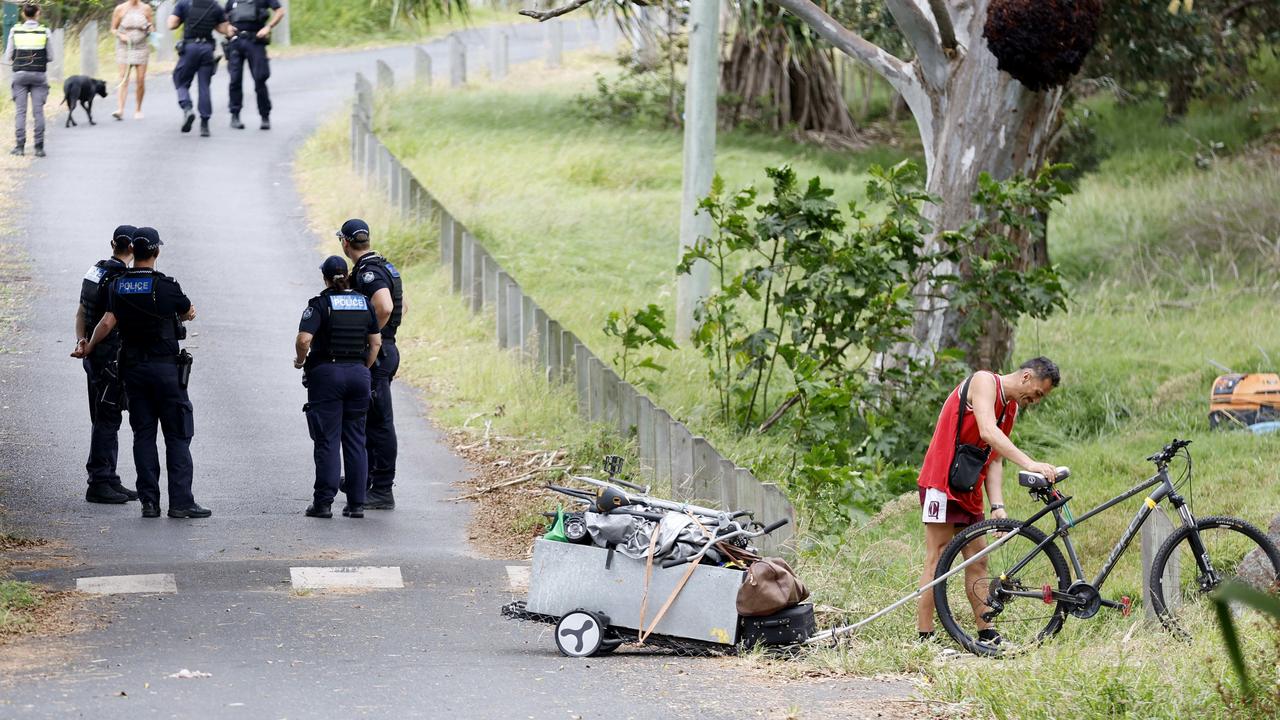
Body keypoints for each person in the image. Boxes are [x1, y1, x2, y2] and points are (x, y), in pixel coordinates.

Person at [914, 357, 1061, 648]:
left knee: (979, 560)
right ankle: (924, 636)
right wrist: (1030, 463)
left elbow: (993, 457)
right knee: (938, 558)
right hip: (941, 482)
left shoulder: (1011, 408)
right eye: (1038, 393)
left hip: (969, 488)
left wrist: (997, 505)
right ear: (1026, 377)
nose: (1036, 400)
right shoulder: (984, 382)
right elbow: (987, 432)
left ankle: (986, 631)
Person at [72, 228, 210, 520]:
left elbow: (106, 322)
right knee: (177, 435)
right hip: (166, 371)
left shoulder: (117, 285)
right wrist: (182, 316)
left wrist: (88, 345)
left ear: (133, 252)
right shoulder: (167, 287)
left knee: (143, 435)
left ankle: (149, 502)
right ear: (157, 252)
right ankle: (181, 502)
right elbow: (186, 312)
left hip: (133, 371)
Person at [294, 256, 382, 519]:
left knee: (327, 440)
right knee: (356, 439)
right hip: (358, 374)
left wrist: (300, 360)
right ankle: (356, 504)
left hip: (327, 376)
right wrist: (363, 367)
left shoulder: (320, 304)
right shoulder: (364, 303)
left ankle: (323, 503)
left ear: (325, 277)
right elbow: (376, 343)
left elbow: (304, 339)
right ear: (347, 276)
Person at [338, 219, 405, 510]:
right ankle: (362, 479)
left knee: (379, 423)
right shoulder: (385, 266)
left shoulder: (367, 273)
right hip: (388, 348)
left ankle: (381, 488)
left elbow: (386, 306)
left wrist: (371, 336)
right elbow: (402, 304)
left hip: (379, 354)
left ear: (345, 243)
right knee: (368, 420)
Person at [75, 226, 138, 505]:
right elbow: (109, 320)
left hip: (91, 354)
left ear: (113, 243)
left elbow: (81, 310)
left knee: (102, 415)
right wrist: (93, 344)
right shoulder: (121, 278)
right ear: (133, 249)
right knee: (108, 417)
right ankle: (99, 481)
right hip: (108, 355)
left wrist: (81, 341)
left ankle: (109, 477)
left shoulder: (95, 270)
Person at [167, 0, 233, 137]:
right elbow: (224, 29)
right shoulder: (214, 5)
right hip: (207, 50)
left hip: (190, 48)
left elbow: (171, 24)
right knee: (204, 86)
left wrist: (181, 19)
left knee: (180, 80)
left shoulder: (184, 4)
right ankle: (204, 125)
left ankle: (187, 108)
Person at [224, 0, 284, 130]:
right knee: (235, 80)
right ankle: (235, 115)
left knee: (260, 79)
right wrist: (227, 26)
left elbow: (280, 11)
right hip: (236, 41)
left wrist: (268, 27)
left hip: (255, 41)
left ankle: (265, 116)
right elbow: (223, 15)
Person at [4, 3, 49, 157]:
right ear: (38, 14)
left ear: (23, 14)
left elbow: (8, 55)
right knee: (38, 112)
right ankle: (39, 147)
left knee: (20, 112)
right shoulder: (44, 31)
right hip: (38, 75)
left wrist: (18, 60)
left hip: (20, 75)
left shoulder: (15, 30)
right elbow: (50, 56)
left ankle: (20, 147)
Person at [111, 0, 155, 120]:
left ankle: (138, 109)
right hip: (124, 48)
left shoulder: (146, 8)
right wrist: (121, 35)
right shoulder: (120, 9)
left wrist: (149, 28)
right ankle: (120, 109)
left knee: (140, 79)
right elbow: (113, 29)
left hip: (141, 47)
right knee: (123, 78)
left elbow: (152, 29)